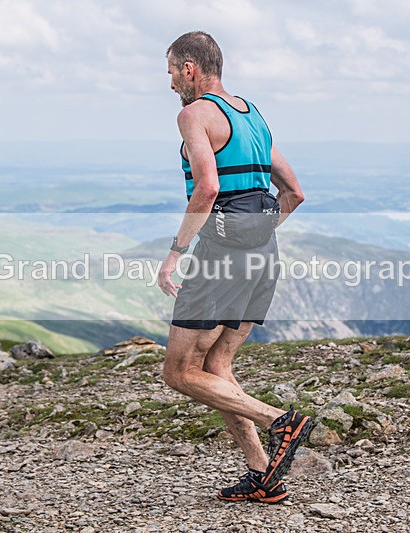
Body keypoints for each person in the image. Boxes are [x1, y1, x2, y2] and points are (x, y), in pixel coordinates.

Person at [157, 31, 316, 504]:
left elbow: (206, 188)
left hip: (219, 258)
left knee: (179, 371)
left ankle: (279, 422)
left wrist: (176, 253)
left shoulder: (193, 114)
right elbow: (294, 193)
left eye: (170, 71)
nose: (169, 83)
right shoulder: (253, 116)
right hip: (263, 255)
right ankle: (264, 475)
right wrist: (255, 235)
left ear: (189, 68)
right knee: (216, 362)